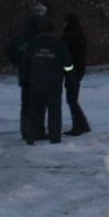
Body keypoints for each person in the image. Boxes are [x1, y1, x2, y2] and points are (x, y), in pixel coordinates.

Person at [22, 17, 74, 145]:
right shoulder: (59, 44)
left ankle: (31, 137)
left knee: (34, 112)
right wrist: (69, 79)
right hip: (54, 84)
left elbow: (25, 64)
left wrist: (25, 81)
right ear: (51, 29)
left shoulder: (32, 44)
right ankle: (54, 138)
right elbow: (68, 64)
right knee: (54, 111)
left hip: (35, 84)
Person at [5, 15, 44, 142]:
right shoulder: (39, 40)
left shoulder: (18, 40)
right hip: (38, 77)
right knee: (39, 105)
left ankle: (25, 131)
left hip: (25, 77)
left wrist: (19, 64)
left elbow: (9, 54)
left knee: (25, 105)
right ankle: (38, 130)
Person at [62, 13, 91, 136]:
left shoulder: (72, 36)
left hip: (73, 71)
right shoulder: (76, 35)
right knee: (72, 99)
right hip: (76, 71)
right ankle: (82, 124)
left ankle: (78, 126)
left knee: (71, 99)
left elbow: (72, 55)